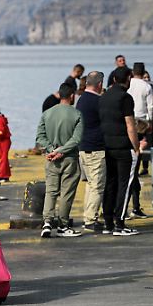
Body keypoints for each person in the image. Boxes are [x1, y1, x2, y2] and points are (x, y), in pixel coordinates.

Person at [36, 83, 84, 238]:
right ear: (71, 96)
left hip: (51, 159)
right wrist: (61, 151)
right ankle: (63, 225)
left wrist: (51, 150)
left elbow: (40, 137)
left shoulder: (47, 113)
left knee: (51, 191)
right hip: (69, 158)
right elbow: (76, 139)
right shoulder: (77, 114)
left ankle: (47, 222)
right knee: (66, 193)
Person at [99, 67, 141, 236]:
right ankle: (120, 223)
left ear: (114, 79)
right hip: (124, 147)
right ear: (128, 79)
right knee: (125, 184)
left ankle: (108, 223)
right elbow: (130, 125)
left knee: (110, 184)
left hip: (107, 146)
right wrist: (136, 147)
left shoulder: (103, 97)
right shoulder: (125, 98)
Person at [76, 71, 107, 232]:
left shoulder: (81, 100)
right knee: (97, 186)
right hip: (96, 149)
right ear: (100, 84)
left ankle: (87, 215)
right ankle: (90, 219)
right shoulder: (98, 101)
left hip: (83, 148)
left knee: (89, 185)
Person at [127, 63, 153, 208]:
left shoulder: (128, 84)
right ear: (143, 72)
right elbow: (150, 108)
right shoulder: (146, 86)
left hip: (128, 122)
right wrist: (150, 125)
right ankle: (135, 205)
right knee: (136, 163)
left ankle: (133, 204)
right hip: (142, 125)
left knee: (130, 166)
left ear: (132, 71)